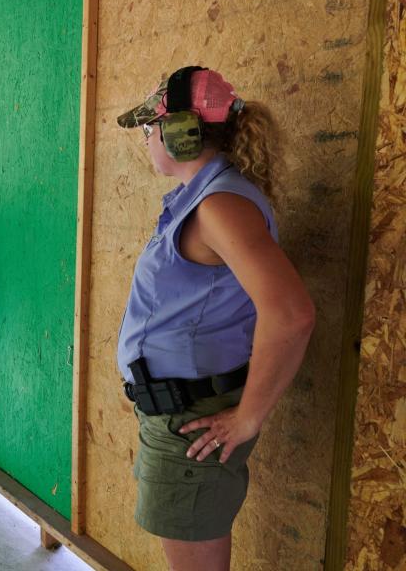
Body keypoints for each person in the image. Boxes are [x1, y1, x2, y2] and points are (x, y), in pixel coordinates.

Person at [115, 67, 315, 570]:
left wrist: (248, 417)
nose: (146, 139)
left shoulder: (220, 206)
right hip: (176, 412)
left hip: (191, 420)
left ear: (180, 132)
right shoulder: (204, 198)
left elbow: (291, 314)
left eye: (150, 127)